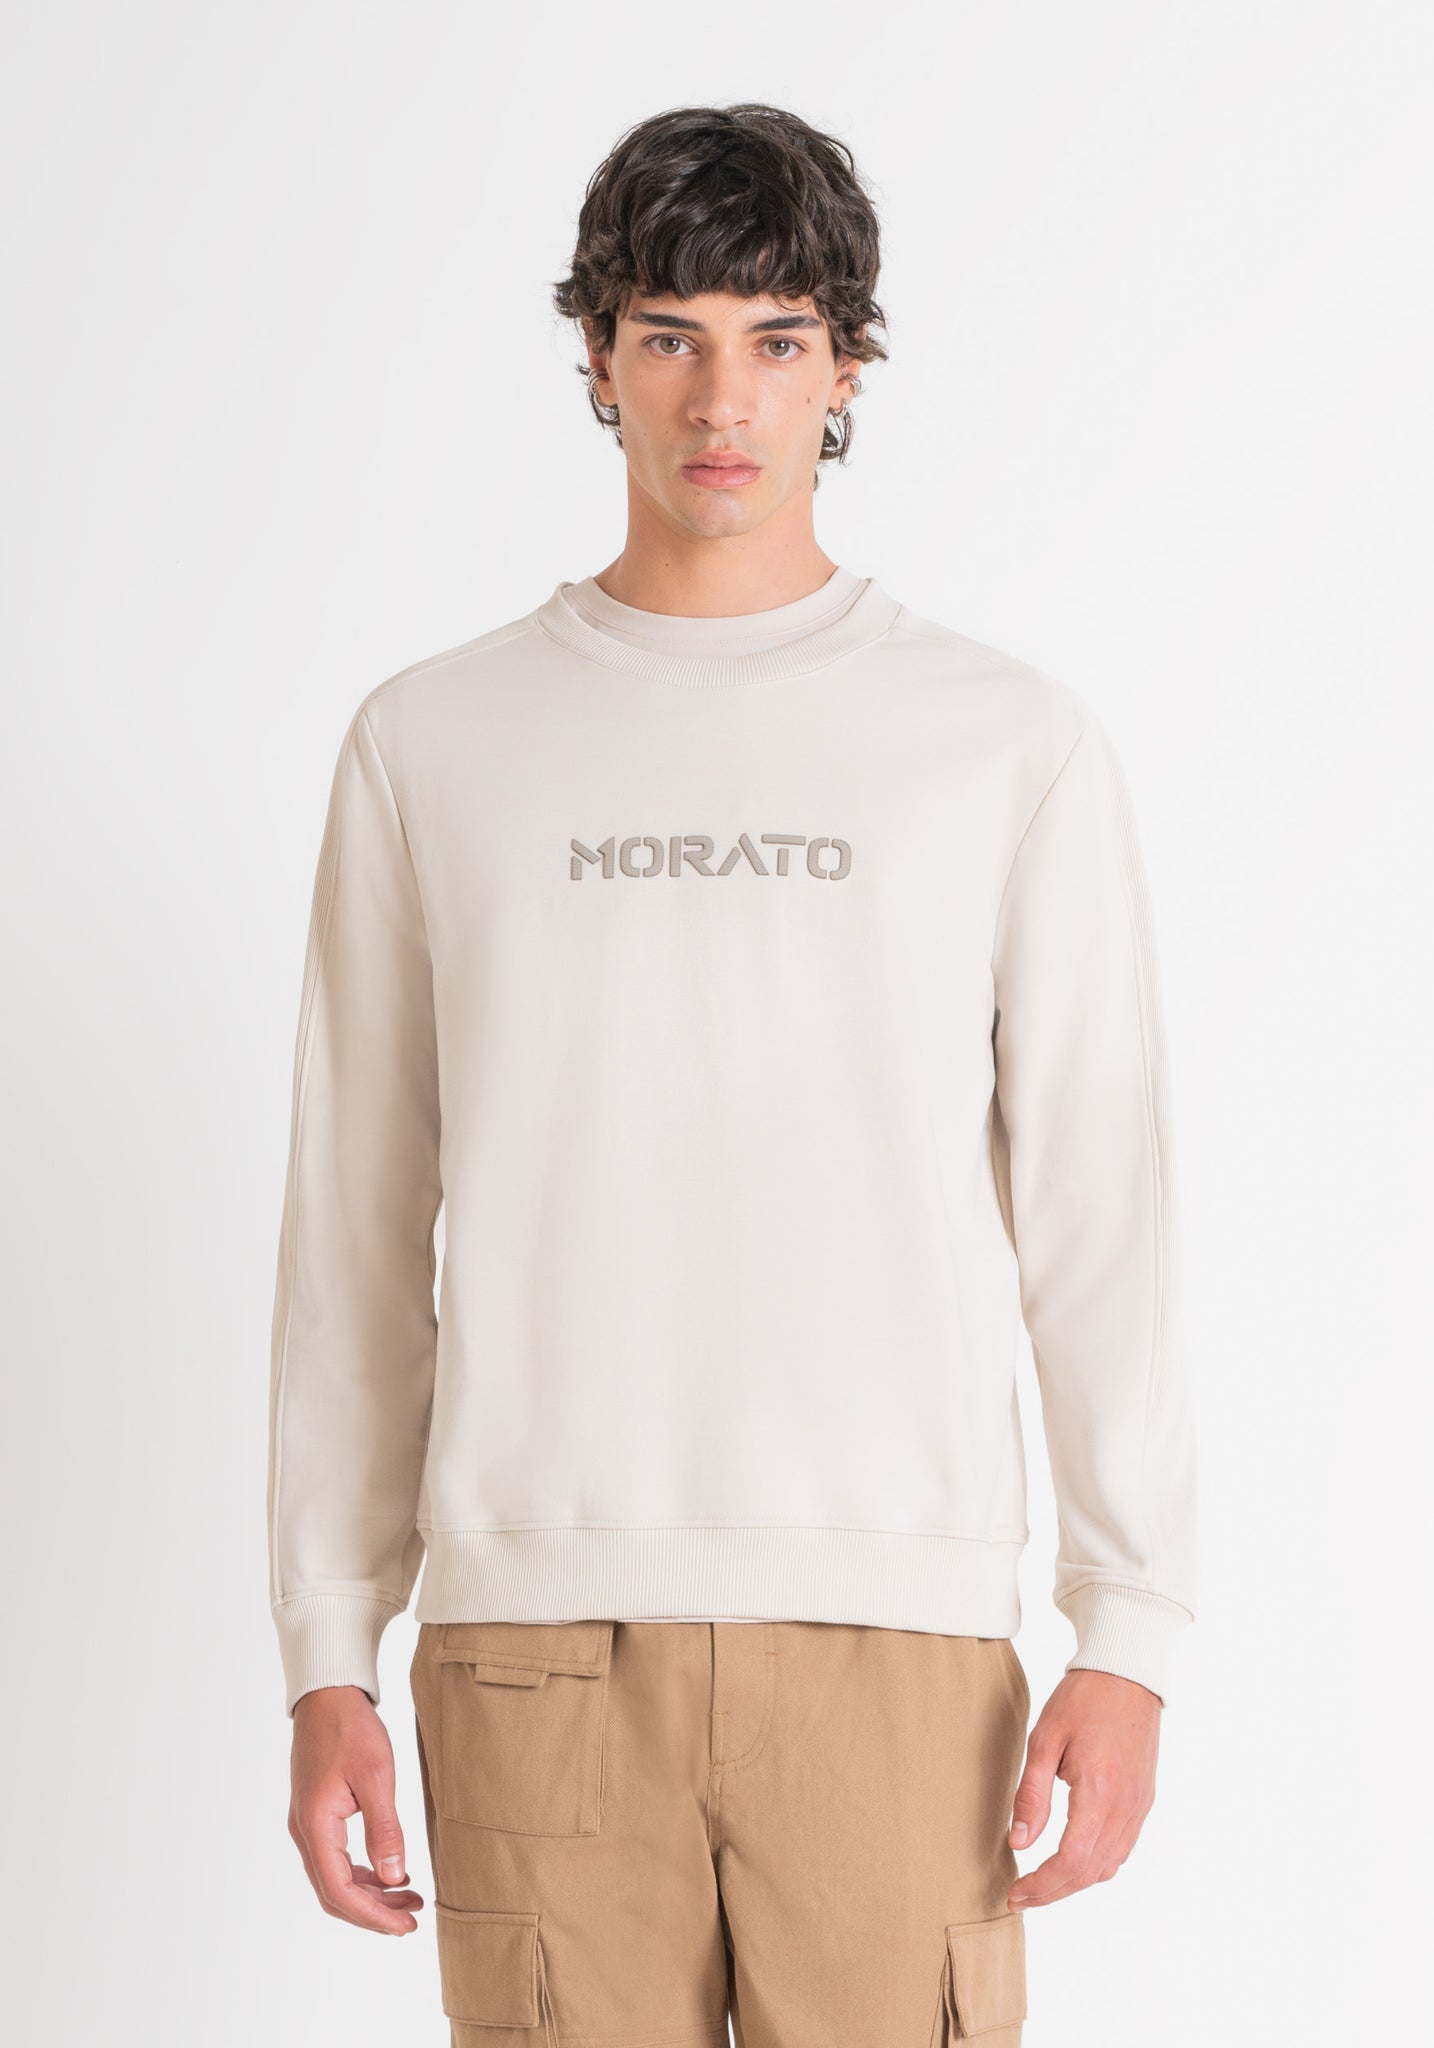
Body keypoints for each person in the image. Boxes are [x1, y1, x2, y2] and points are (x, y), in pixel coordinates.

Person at [267, 101, 1198, 2047]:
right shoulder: (432, 743)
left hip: (898, 1639)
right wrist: (324, 1646)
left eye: (778, 339)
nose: (723, 399)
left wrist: (1130, 1626)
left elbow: (1098, 1214)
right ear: (596, 354)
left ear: (847, 365)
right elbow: (353, 1229)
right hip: (531, 1643)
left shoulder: (1001, 744)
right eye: (669, 335)